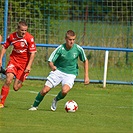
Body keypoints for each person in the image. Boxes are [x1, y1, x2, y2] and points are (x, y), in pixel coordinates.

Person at [29, 30, 89, 111]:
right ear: (65, 39)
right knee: (45, 90)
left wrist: (86, 76)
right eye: (70, 39)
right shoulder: (60, 49)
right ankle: (34, 106)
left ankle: (56, 99)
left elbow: (85, 60)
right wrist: (52, 66)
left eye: (73, 40)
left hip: (71, 73)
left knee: (64, 91)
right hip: (58, 71)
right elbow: (50, 61)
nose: (72, 42)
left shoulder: (78, 49)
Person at [0, 20, 37, 108]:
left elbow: (33, 53)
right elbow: (5, 47)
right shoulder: (12, 36)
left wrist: (29, 66)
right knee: (8, 79)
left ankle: (20, 80)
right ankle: (1, 102)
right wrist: (0, 59)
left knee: (16, 87)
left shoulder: (29, 38)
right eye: (22, 30)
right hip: (14, 61)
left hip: (24, 65)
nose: (24, 32)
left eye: (25, 30)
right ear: (18, 29)